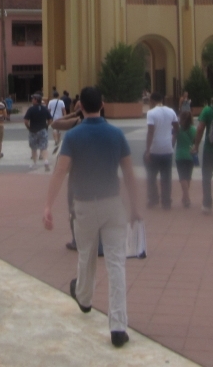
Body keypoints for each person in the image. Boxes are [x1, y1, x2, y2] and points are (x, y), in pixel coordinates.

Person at [43, 87, 141, 348]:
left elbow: (60, 171)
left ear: (79, 107)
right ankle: (118, 326)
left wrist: (48, 205)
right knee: (116, 264)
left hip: (84, 205)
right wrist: (135, 208)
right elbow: (129, 174)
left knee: (86, 255)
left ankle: (85, 299)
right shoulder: (116, 134)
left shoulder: (74, 136)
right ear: (103, 104)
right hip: (113, 204)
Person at [144, 92, 178, 209]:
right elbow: (176, 128)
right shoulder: (171, 111)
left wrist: (148, 150)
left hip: (154, 149)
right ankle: (166, 201)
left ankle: (153, 199)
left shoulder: (151, 113)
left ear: (153, 101)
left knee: (151, 176)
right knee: (166, 177)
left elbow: (150, 132)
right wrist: (172, 142)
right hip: (167, 149)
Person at [24, 92, 53, 171]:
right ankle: (46, 161)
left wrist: (28, 127)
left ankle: (35, 163)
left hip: (33, 130)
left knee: (34, 148)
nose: (32, 100)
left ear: (36, 100)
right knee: (44, 147)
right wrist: (47, 126)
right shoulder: (44, 109)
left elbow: (26, 121)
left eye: (33, 98)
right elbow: (50, 119)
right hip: (43, 130)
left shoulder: (31, 109)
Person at [175, 107, 197, 208]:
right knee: (188, 177)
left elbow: (172, 141)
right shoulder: (193, 129)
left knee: (182, 177)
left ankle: (186, 197)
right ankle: (185, 197)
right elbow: (195, 142)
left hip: (180, 155)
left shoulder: (177, 129)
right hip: (190, 155)